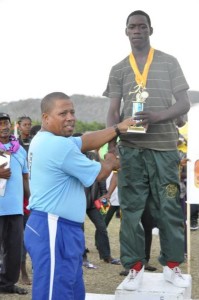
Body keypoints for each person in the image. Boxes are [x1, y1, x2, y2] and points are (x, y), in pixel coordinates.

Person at [103, 10, 191, 290]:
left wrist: (156, 116)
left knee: (168, 207)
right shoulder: (118, 68)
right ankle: (134, 267)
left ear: (150, 30)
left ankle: (173, 265)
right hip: (131, 151)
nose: (137, 30)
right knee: (130, 209)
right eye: (132, 27)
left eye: (142, 26)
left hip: (165, 149)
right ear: (125, 31)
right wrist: (112, 147)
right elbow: (113, 111)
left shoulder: (169, 62)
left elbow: (184, 105)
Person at [24, 92, 135, 300]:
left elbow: (84, 141)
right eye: (63, 113)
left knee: (69, 290)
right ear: (46, 118)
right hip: (54, 227)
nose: (70, 117)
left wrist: (116, 129)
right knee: (55, 292)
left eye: (72, 112)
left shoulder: (49, 138)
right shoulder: (57, 145)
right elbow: (100, 173)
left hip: (62, 227)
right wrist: (111, 160)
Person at [0, 113, 29, 295]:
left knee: (14, 249)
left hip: (16, 208)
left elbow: (25, 177)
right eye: (0, 123)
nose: (4, 126)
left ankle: (7, 284)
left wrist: (30, 200)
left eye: (6, 123)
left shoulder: (20, 150)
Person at [17, 115, 32, 285]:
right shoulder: (14, 146)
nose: (27, 127)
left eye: (29, 124)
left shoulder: (35, 143)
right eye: (25, 125)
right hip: (20, 195)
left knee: (31, 236)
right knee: (19, 238)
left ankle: (35, 268)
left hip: (33, 191)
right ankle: (22, 271)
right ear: (19, 126)